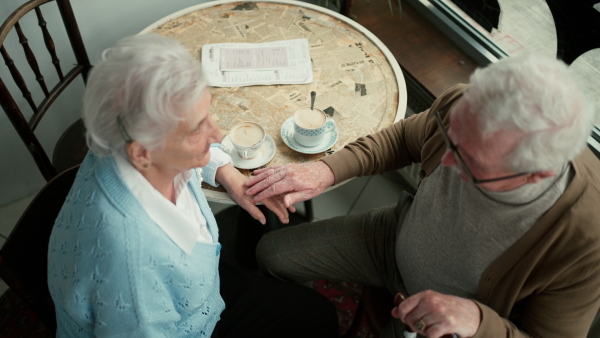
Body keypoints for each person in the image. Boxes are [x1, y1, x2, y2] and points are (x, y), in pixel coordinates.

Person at [245, 53, 600, 337]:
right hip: (392, 238)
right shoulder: (469, 104)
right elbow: (402, 140)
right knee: (271, 253)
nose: (445, 161)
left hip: (448, 323)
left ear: (538, 174)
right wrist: (327, 170)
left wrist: (478, 321)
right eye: (450, 138)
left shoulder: (586, 239)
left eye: (468, 159)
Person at [47, 33, 338, 337]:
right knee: (317, 318)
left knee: (313, 312)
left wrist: (230, 174)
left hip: (196, 292)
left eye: (207, 112)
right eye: (198, 128)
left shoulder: (121, 139)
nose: (217, 133)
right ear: (143, 152)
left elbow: (180, 128)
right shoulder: (132, 272)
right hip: (186, 325)